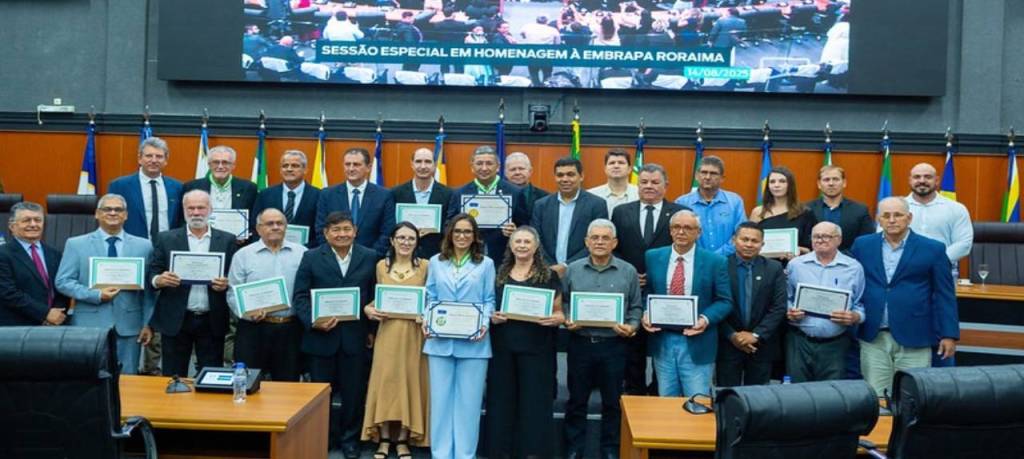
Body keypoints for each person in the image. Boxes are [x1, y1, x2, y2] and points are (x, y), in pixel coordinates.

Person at [851, 198, 959, 395]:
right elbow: (852, 282)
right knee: (877, 397)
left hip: (915, 335)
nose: (892, 220)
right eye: (886, 216)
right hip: (874, 335)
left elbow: (944, 294)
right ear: (878, 219)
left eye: (898, 215)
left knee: (912, 397)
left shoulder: (933, 248)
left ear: (909, 218)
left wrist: (949, 334)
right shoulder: (862, 245)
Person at [293, 211, 377, 458]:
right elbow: (300, 296)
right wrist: (313, 322)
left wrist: (371, 331)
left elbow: (374, 295)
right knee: (320, 394)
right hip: (321, 338)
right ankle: (324, 437)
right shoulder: (311, 257)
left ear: (355, 231)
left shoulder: (370, 256)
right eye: (336, 230)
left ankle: (350, 440)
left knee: (354, 393)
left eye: (346, 229)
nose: (342, 234)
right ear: (326, 233)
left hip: (355, 337)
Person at [562, 219, 642, 459]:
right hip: (581, 344)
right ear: (586, 242)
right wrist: (567, 318)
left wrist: (632, 326)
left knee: (612, 402)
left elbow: (636, 307)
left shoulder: (628, 271)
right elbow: (563, 301)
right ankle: (574, 449)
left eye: (605, 238)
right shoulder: (572, 269)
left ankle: (610, 449)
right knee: (576, 401)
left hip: (614, 346)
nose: (599, 242)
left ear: (614, 243)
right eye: (594, 237)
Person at [486, 226, 564, 459]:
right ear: (510, 245)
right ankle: (500, 452)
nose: (522, 246)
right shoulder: (498, 273)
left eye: (527, 242)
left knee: (535, 402)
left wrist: (556, 319)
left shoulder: (549, 275)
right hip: (503, 347)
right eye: (518, 241)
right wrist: (492, 317)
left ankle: (532, 452)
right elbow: (488, 305)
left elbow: (559, 312)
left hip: (537, 348)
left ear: (536, 246)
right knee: (501, 401)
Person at [423, 214, 495, 459]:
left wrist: (483, 324)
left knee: (469, 405)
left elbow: (489, 299)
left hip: (475, 343)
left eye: (467, 232)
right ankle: (441, 454)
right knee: (440, 403)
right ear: (450, 234)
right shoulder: (436, 261)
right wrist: (427, 320)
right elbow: (430, 296)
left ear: (475, 236)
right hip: (440, 342)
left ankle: (465, 454)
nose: (462, 236)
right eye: (457, 231)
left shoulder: (486, 264)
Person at [610, 163, 687, 394]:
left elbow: (684, 249)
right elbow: (615, 249)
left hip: (666, 291)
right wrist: (629, 273)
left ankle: (657, 392)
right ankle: (634, 393)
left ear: (666, 185)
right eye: (644, 182)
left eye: (655, 182)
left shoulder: (679, 213)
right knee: (632, 345)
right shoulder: (621, 211)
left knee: (662, 347)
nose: (649, 186)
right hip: (631, 288)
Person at [56, 194, 154, 374]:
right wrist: (96, 295)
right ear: (97, 213)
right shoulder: (76, 244)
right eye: (107, 209)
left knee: (127, 381)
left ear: (126, 215)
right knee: (88, 378)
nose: (113, 213)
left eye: (118, 209)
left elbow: (149, 291)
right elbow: (63, 281)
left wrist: (147, 323)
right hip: (88, 324)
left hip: (130, 326)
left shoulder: (144, 246)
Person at [642, 210, 732, 397]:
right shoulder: (653, 256)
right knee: (666, 400)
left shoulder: (715, 261)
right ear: (670, 230)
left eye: (688, 228)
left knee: (697, 401)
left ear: (698, 232)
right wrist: (646, 313)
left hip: (698, 340)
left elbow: (724, 301)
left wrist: (705, 319)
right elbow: (647, 292)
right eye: (676, 227)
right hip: (663, 340)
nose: (681, 232)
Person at [148, 190, 238, 377]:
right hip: (176, 319)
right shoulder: (166, 238)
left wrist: (226, 283)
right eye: (191, 208)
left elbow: (234, 276)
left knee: (211, 376)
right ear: (184, 210)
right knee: (173, 377)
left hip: (212, 319)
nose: (196, 212)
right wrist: (159, 280)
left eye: (201, 208)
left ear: (210, 209)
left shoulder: (228, 240)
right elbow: (152, 272)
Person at [362, 222, 431, 458]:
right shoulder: (381, 266)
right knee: (386, 383)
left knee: (409, 383)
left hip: (414, 334)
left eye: (411, 238)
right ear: (392, 240)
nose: (405, 242)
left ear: (417, 242)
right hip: (388, 332)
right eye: (401, 237)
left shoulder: (426, 266)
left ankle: (402, 440)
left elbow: (432, 299)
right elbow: (377, 299)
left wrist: (427, 314)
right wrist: (368, 309)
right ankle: (383, 439)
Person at [225, 208, 307, 381]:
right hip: (253, 329)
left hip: (290, 329)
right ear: (258, 228)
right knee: (249, 383)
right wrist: (247, 313)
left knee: (288, 385)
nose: (275, 227)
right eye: (269, 223)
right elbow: (232, 293)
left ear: (286, 227)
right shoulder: (243, 255)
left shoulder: (302, 253)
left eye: (280, 223)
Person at [784, 222, 865, 382]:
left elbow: (859, 303)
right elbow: (786, 297)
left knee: (832, 393)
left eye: (826, 236)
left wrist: (855, 317)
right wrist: (790, 311)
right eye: (816, 236)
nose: (820, 240)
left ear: (839, 240)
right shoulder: (796, 265)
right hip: (800, 342)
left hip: (836, 344)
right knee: (797, 392)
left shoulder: (854, 268)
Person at [716, 222, 786, 387]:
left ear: (762, 244)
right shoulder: (719, 266)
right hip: (727, 344)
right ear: (734, 240)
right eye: (744, 239)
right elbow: (714, 304)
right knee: (726, 395)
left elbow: (779, 307)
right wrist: (733, 336)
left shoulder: (774, 268)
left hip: (762, 346)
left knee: (759, 397)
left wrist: (755, 335)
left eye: (754, 241)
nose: (749, 244)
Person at [447, 145, 529, 266]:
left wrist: (515, 231)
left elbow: (525, 226)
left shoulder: (515, 192)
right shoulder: (459, 193)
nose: (484, 168)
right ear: (472, 167)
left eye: (489, 163)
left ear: (498, 167)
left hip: (504, 258)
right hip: (468, 257)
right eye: (479, 163)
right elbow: (448, 224)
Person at [531, 156, 608, 275]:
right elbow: (535, 239)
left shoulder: (597, 204)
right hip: (547, 270)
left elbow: (597, 241)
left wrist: (566, 266)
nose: (565, 179)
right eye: (560, 175)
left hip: (583, 271)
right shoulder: (541, 205)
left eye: (570, 174)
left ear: (581, 176)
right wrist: (551, 267)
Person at [316, 147, 395, 256]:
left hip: (371, 259)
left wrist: (371, 256)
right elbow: (321, 229)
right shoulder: (327, 194)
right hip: (333, 258)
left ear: (368, 167)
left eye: (356, 164)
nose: (351, 168)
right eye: (347, 164)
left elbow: (387, 232)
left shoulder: (384, 195)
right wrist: (334, 255)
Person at [0, 202, 69, 326]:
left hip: (53, 326)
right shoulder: (3, 254)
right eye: (26, 220)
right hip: (16, 327)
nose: (33, 224)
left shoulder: (55, 254)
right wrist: (45, 313)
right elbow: (8, 293)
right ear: (12, 226)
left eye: (38, 220)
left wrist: (57, 314)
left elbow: (62, 288)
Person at [107, 137, 183, 240]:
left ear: (166, 160)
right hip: (133, 244)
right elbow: (111, 218)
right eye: (149, 156)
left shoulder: (177, 187)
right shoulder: (120, 186)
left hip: (167, 245)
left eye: (159, 156)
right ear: (139, 158)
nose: (154, 160)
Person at [905, 163, 973, 274]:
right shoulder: (896, 208)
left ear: (936, 180)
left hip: (943, 271)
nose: (922, 181)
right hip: (905, 272)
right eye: (917, 177)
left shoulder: (956, 208)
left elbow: (964, 244)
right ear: (910, 180)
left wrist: (935, 262)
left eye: (928, 177)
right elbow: (884, 239)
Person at [675, 155, 746, 256]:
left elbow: (741, 234)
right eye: (704, 172)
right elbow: (678, 234)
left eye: (713, 173)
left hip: (728, 259)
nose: (707, 177)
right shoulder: (682, 202)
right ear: (696, 176)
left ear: (722, 178)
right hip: (694, 260)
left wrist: (717, 256)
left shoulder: (735, 201)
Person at [179, 145, 259, 232]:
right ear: (209, 165)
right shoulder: (192, 187)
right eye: (216, 162)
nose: (220, 166)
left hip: (236, 239)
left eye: (225, 162)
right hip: (201, 237)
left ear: (233, 165)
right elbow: (182, 218)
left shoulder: (248, 188)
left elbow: (254, 219)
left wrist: (246, 234)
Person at [391, 148, 452, 259]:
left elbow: (449, 227)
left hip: (437, 256)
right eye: (418, 161)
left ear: (434, 165)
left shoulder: (449, 194)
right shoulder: (396, 193)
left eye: (428, 162)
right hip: (403, 256)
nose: (423, 166)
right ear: (412, 164)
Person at [252, 150, 321, 246]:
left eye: (295, 166)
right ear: (280, 170)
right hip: (270, 250)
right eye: (285, 166)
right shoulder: (265, 195)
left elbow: (322, 230)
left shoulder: (319, 195)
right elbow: (256, 226)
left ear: (305, 170)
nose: (289, 169)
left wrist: (306, 250)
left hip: (307, 251)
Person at [749, 166, 817, 261]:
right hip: (763, 265)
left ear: (790, 185)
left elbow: (813, 247)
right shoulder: (758, 212)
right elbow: (750, 242)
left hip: (794, 264)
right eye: (772, 182)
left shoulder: (805, 212)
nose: (776, 185)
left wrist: (798, 250)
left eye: (782, 181)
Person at [805, 165, 874, 253]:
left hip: (849, 259)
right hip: (814, 259)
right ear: (819, 184)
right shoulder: (806, 209)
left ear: (844, 183)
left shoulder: (860, 210)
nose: (831, 183)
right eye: (826, 180)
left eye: (835, 179)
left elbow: (866, 242)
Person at [589, 149, 639, 216]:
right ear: (605, 169)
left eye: (621, 163)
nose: (616, 166)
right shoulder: (592, 195)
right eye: (612, 163)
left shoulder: (640, 194)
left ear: (629, 169)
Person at [504, 152, 549, 219]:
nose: (517, 172)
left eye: (521, 168)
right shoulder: (498, 195)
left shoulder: (545, 197)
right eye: (513, 169)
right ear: (506, 173)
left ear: (530, 171)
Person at [519, 15, 561, 85]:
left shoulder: (527, 27)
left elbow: (521, 33)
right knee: (547, 73)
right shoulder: (553, 30)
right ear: (547, 22)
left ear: (536, 21)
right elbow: (557, 43)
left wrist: (526, 37)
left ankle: (536, 85)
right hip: (547, 53)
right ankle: (546, 86)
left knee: (533, 72)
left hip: (532, 52)